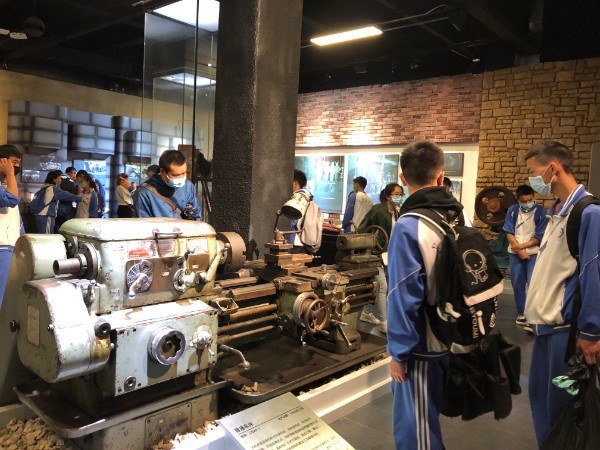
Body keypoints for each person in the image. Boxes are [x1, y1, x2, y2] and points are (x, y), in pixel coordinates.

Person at [387, 140, 464, 450]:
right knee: (429, 422)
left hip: (422, 346)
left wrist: (398, 353)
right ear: (441, 176)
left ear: (402, 178)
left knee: (416, 432)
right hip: (455, 335)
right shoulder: (458, 217)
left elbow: (403, 296)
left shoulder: (409, 225)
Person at [524, 140, 600, 447]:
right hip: (544, 328)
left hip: (565, 333)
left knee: (562, 409)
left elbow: (593, 274)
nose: (532, 179)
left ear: (553, 169)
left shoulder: (589, 213)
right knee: (541, 402)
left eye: (533, 172)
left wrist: (591, 332)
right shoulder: (556, 211)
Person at [357, 182, 403, 332]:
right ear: (388, 196)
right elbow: (363, 229)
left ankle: (367, 312)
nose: (399, 197)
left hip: (390, 255)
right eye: (396, 194)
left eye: (401, 194)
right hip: (374, 253)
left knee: (380, 285)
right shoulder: (377, 210)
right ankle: (384, 321)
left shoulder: (398, 212)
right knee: (382, 286)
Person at [502, 184, 548, 330]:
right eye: (524, 201)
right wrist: (518, 249)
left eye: (530, 200)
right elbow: (509, 232)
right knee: (517, 283)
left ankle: (533, 314)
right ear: (518, 200)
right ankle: (521, 313)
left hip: (533, 253)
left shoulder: (541, 212)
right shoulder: (512, 210)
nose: (527, 203)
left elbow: (539, 237)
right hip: (515, 254)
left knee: (533, 283)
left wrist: (521, 247)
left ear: (534, 198)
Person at [136, 150, 201, 220]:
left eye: (184, 173)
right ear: (162, 172)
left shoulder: (188, 187)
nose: (181, 178)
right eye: (175, 175)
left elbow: (196, 216)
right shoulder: (144, 193)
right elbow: (143, 223)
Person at [0, 145, 23, 306]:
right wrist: (9, 174)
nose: (17, 167)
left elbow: (15, 219)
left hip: (11, 246)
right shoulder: (8, 186)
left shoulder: (6, 185)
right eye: (14, 162)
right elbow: (12, 199)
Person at [290, 169, 322, 253]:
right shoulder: (307, 198)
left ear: (295, 183)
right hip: (302, 244)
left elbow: (293, 222)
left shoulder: (298, 198)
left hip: (295, 243)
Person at [55, 166, 78, 232]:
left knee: (58, 226)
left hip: (58, 208)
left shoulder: (59, 180)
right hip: (67, 208)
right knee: (67, 228)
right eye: (75, 174)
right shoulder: (70, 182)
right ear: (72, 173)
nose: (75, 176)